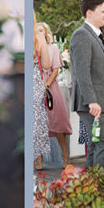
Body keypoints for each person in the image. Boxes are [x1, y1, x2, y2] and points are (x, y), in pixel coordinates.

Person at [69, 0, 104, 175]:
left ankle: (92, 187)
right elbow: (82, 72)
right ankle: (101, 187)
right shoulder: (82, 35)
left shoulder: (97, 35)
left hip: (102, 102)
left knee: (95, 145)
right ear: (90, 13)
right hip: (91, 104)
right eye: (103, 11)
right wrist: (92, 101)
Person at [37, 22, 72, 167]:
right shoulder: (32, 49)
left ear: (46, 32)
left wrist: (46, 86)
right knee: (37, 125)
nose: (39, 33)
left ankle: (65, 157)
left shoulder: (53, 48)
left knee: (57, 122)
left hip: (50, 87)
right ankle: (38, 159)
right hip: (35, 87)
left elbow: (56, 70)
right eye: (36, 31)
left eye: (41, 30)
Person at [32, 23, 52, 170]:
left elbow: (46, 65)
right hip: (29, 82)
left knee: (36, 125)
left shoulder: (37, 37)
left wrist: (42, 41)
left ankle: (35, 161)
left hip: (34, 83)